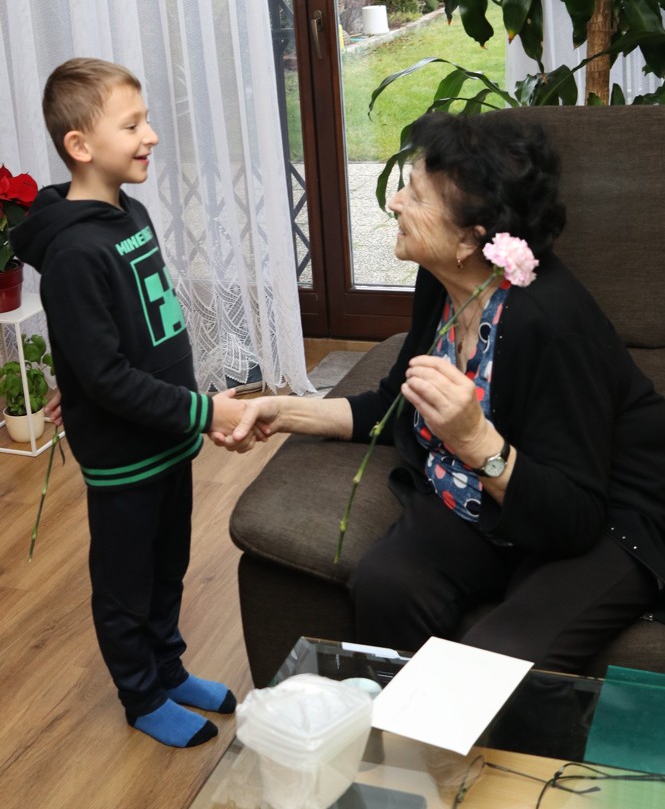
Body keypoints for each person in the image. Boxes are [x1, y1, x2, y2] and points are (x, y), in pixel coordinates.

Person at [220, 109, 665, 674]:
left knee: (495, 660)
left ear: (470, 237)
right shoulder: (443, 282)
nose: (394, 203)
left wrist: (474, 439)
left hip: (601, 516)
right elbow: (394, 403)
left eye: (414, 194)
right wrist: (281, 411)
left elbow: (573, 515)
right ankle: (396, 729)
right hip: (484, 501)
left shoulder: (551, 324)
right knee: (385, 584)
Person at [12, 58, 260, 749]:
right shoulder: (73, 253)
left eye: (146, 120)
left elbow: (119, 334)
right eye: (132, 125)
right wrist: (204, 411)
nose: (150, 135)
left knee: (166, 566)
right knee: (125, 583)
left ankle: (168, 668)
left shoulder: (132, 213)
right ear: (80, 145)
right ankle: (142, 694)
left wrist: (76, 380)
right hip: (125, 457)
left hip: (166, 439)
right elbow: (107, 374)